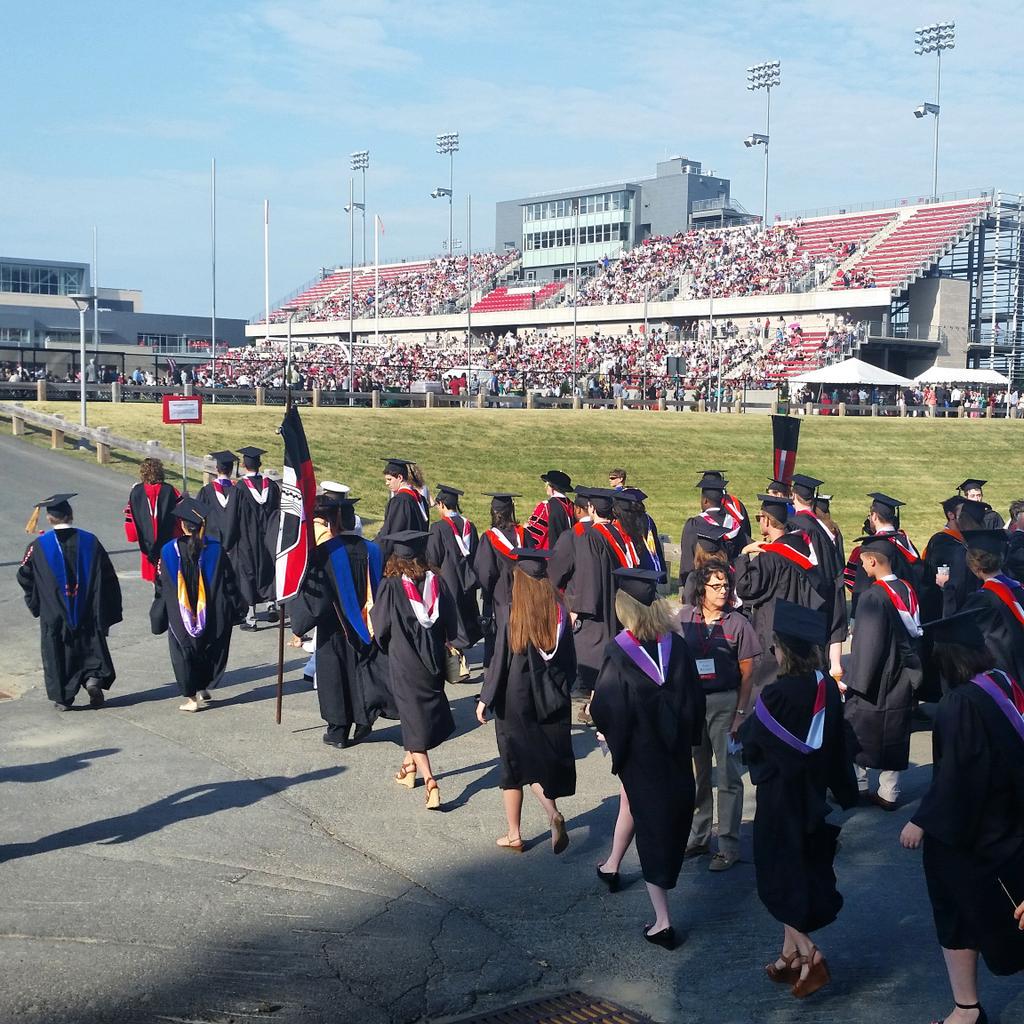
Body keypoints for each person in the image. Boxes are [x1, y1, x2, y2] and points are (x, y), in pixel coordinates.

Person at [900, 610, 1024, 1023]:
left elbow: (957, 775)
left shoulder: (959, 703)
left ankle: (967, 1009)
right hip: (1009, 816)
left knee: (956, 909)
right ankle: (965, 1010)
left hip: (975, 832)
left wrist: (922, 820)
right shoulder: (1002, 683)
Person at [739, 601, 858, 1000]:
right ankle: (788, 955)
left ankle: (809, 953)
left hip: (780, 800)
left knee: (777, 876)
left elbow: (754, 744)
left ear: (783, 650)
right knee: (798, 872)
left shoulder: (776, 694)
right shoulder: (827, 689)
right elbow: (840, 742)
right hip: (813, 795)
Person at [590, 568, 705, 950]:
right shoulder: (678, 647)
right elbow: (695, 700)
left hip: (640, 753)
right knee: (636, 803)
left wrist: (608, 733)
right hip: (674, 753)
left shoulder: (618, 652)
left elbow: (608, 706)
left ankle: (662, 922)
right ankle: (612, 865)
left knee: (652, 824)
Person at [476, 549, 576, 854]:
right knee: (537, 758)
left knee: (514, 764)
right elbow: (570, 662)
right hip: (549, 696)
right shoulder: (559, 612)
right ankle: (551, 814)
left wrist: (485, 698)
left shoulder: (512, 612)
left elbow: (499, 660)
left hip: (515, 697)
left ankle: (515, 833)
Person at [291, 495, 394, 748]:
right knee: (361, 670)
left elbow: (317, 598)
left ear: (333, 524)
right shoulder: (374, 551)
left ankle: (337, 731)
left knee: (334, 676)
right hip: (366, 626)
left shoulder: (325, 553)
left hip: (333, 628)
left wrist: (299, 622)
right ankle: (364, 719)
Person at [677, 561, 760, 871]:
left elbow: (748, 673)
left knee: (727, 776)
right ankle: (699, 836)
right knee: (698, 774)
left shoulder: (738, 623)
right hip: (693, 703)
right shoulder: (684, 618)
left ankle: (728, 845)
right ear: (702, 589)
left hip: (725, 703)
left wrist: (741, 713)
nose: (723, 590)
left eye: (726, 585)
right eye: (716, 586)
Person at [371, 530, 461, 810]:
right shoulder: (437, 582)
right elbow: (451, 623)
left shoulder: (391, 586)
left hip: (404, 661)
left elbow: (381, 628)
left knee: (412, 721)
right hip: (433, 661)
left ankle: (430, 781)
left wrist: (386, 643)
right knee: (418, 716)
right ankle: (407, 770)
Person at [18, 493, 123, 710]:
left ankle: (63, 698)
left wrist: (38, 602)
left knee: (58, 652)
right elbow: (108, 577)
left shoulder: (38, 546)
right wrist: (106, 609)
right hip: (87, 610)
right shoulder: (91, 541)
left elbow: (24, 576)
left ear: (49, 518)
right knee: (89, 646)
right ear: (71, 515)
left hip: (55, 614)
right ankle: (93, 679)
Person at [843, 534, 924, 810]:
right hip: (903, 673)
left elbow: (868, 644)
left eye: (864, 561)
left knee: (858, 727)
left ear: (873, 561)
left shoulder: (872, 597)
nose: (862, 567)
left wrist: (855, 681)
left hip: (876, 676)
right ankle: (890, 792)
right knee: (896, 731)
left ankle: (859, 785)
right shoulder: (907, 589)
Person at [149, 497, 246, 712]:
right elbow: (229, 581)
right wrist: (237, 607)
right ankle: (203, 685)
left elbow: (161, 585)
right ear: (203, 525)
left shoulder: (168, 551)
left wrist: (160, 609)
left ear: (182, 525)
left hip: (179, 611)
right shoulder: (216, 549)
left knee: (183, 651)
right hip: (211, 611)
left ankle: (192, 699)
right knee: (207, 648)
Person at [734, 494, 825, 699]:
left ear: (767, 520)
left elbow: (746, 588)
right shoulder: (802, 548)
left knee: (771, 687)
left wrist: (743, 555)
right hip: (802, 627)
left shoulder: (770, 558)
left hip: (774, 631)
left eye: (760, 518)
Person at [556, 488, 639, 702]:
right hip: (619, 603)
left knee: (593, 658)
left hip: (597, 608)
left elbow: (589, 575)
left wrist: (577, 609)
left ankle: (596, 702)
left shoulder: (591, 536)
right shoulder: (619, 533)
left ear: (591, 508)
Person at [789, 474, 847, 677]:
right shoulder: (824, 527)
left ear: (793, 496)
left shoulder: (795, 525)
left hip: (808, 595)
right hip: (829, 591)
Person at [427, 484, 482, 667]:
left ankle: (456, 661)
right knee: (465, 615)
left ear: (442, 504)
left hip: (448, 582)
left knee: (450, 620)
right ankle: (461, 651)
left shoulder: (438, 528)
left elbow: (432, 558)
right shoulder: (470, 526)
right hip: (467, 580)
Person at [960, 530, 1024, 682]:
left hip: (1004, 670)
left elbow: (962, 632)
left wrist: (947, 590)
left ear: (974, 566)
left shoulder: (981, 599)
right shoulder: (1019, 588)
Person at [229, 445, 281, 630]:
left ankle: (251, 617)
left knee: (247, 574)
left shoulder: (239, 488)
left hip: (246, 539)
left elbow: (232, 516)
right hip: (268, 537)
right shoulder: (272, 486)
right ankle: (271, 604)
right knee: (268, 569)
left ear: (244, 465)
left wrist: (228, 540)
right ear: (260, 464)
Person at [474, 492, 525, 671]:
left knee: (497, 642)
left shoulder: (489, 538)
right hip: (523, 595)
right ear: (511, 511)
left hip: (499, 599)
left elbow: (485, 572)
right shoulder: (523, 535)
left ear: (493, 512)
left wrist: (487, 596)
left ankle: (494, 681)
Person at [678, 474, 748, 589]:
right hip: (729, 583)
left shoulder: (695, 524)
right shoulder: (734, 524)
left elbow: (687, 561)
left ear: (705, 500)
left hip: (702, 585)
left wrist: (686, 586)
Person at [126, 457, 181, 585]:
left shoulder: (136, 491)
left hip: (147, 545)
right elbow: (181, 516)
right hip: (167, 543)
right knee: (168, 578)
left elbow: (131, 518)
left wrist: (133, 535)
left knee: (154, 580)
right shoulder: (170, 490)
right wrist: (185, 498)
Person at [378, 458, 429, 560]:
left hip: (400, 559)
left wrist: (375, 550)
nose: (387, 483)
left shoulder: (400, 501)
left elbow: (391, 531)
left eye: (389, 479)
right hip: (418, 556)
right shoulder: (420, 499)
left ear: (400, 477)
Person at [524, 470, 574, 550]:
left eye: (547, 484)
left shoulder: (546, 506)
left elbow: (535, 536)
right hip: (569, 552)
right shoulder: (573, 506)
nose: (546, 487)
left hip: (549, 554)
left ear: (552, 487)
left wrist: (526, 529)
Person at [195, 450, 237, 545]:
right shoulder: (237, 492)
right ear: (231, 470)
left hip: (210, 541)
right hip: (233, 544)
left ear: (217, 468)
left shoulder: (206, 491)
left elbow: (198, 516)